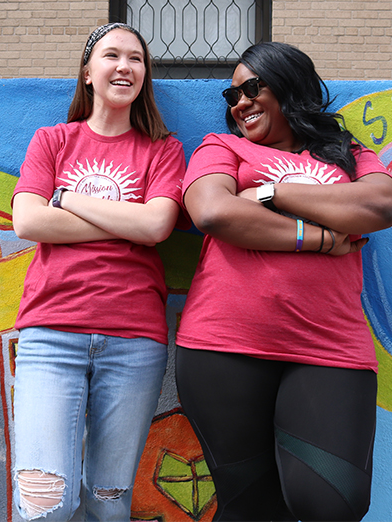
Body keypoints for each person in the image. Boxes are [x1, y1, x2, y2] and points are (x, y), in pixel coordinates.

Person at [175, 41, 392, 522]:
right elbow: (212, 211)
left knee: (332, 503)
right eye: (231, 97)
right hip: (224, 345)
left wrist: (270, 192)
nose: (240, 103)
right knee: (252, 507)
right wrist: (320, 238)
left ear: (289, 84)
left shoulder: (350, 154)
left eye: (251, 88)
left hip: (331, 347)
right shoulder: (222, 146)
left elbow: (378, 207)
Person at [11, 23, 186, 521]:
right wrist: (124, 223)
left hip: (133, 340)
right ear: (88, 73)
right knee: (45, 504)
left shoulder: (162, 149)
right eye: (112, 56)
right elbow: (27, 220)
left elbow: (156, 225)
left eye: (136, 59)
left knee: (109, 506)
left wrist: (66, 200)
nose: (125, 67)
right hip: (51, 332)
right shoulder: (52, 141)